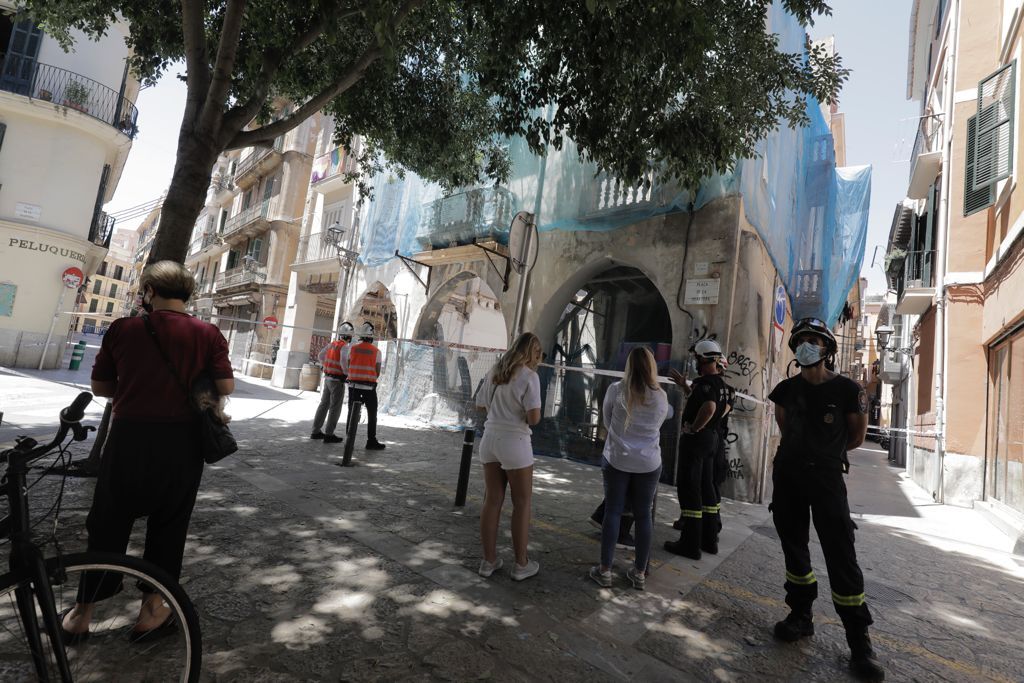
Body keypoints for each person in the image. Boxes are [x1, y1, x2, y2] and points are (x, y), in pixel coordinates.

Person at [61, 261, 234, 642]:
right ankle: (151, 611)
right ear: (187, 294)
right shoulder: (208, 333)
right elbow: (226, 384)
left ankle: (82, 614)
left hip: (129, 438)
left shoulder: (124, 328)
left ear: (150, 292)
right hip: (182, 443)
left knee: (108, 521)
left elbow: (102, 387)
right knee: (170, 525)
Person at [767, 318, 883, 682]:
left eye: (814, 340)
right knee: (794, 549)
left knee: (841, 555)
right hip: (788, 476)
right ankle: (800, 616)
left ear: (827, 348)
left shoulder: (850, 390)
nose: (806, 345)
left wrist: (824, 455)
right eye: (801, 340)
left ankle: (858, 642)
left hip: (828, 479)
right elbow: (785, 429)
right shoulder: (784, 391)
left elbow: (856, 437)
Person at [589, 347, 671, 590]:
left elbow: (605, 419)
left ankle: (604, 570)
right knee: (643, 514)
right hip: (648, 463)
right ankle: (639, 572)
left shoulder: (616, 390)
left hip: (617, 459)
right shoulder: (661, 396)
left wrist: (619, 437)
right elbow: (659, 424)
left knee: (613, 512)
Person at [475, 332, 544, 582]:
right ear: (532, 352)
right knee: (522, 504)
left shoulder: (496, 370)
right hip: (515, 442)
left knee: (492, 501)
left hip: (490, 439)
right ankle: (521, 564)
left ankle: (488, 561)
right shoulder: (529, 376)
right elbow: (534, 417)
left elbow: (479, 404)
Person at [664, 339, 730, 559]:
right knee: (707, 488)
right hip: (712, 440)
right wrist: (685, 386)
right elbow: (718, 407)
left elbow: (709, 407)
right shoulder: (721, 385)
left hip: (697, 441)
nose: (694, 362)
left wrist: (694, 427)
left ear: (703, 359)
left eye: (696, 358)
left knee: (690, 489)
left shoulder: (705, 384)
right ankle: (709, 540)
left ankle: (689, 545)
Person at [341, 322, 386, 450]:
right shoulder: (376, 351)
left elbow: (349, 365)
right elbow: (377, 372)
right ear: (371, 337)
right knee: (372, 414)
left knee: (351, 412)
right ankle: (371, 441)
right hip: (369, 388)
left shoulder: (352, 348)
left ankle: (349, 439)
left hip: (353, 386)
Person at [310, 321, 354, 444]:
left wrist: (326, 366)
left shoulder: (332, 344)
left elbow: (320, 356)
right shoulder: (344, 347)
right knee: (335, 408)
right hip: (337, 380)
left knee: (323, 405)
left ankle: (315, 431)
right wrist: (347, 374)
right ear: (348, 336)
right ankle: (329, 434)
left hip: (328, 378)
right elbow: (344, 363)